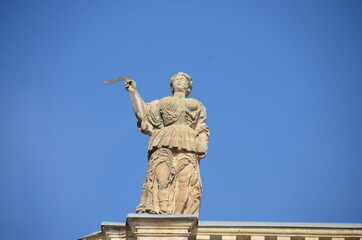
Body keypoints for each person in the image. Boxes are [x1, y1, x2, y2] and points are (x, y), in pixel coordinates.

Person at [124, 72, 210, 216]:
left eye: (183, 79)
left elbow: (201, 127)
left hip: (188, 142)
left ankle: (179, 216)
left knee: (185, 180)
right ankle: (162, 212)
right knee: (161, 177)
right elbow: (144, 114)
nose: (180, 81)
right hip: (163, 140)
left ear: (188, 86)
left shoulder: (197, 105)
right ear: (172, 85)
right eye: (177, 79)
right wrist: (134, 92)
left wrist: (203, 143)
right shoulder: (162, 102)